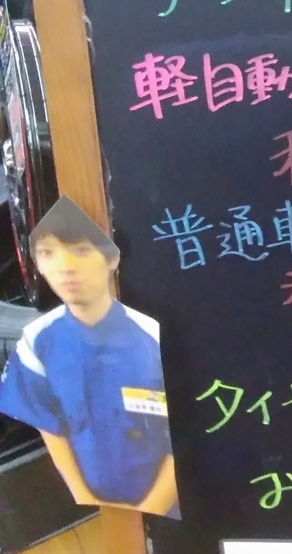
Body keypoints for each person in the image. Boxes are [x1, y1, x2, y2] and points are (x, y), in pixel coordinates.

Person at [0, 195, 178, 516]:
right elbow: (49, 424)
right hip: (99, 509)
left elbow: (188, 434)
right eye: (48, 253)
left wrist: (149, 509)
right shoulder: (37, 342)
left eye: (81, 250)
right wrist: (86, 498)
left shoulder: (156, 335)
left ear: (112, 260)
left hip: (169, 507)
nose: (65, 267)